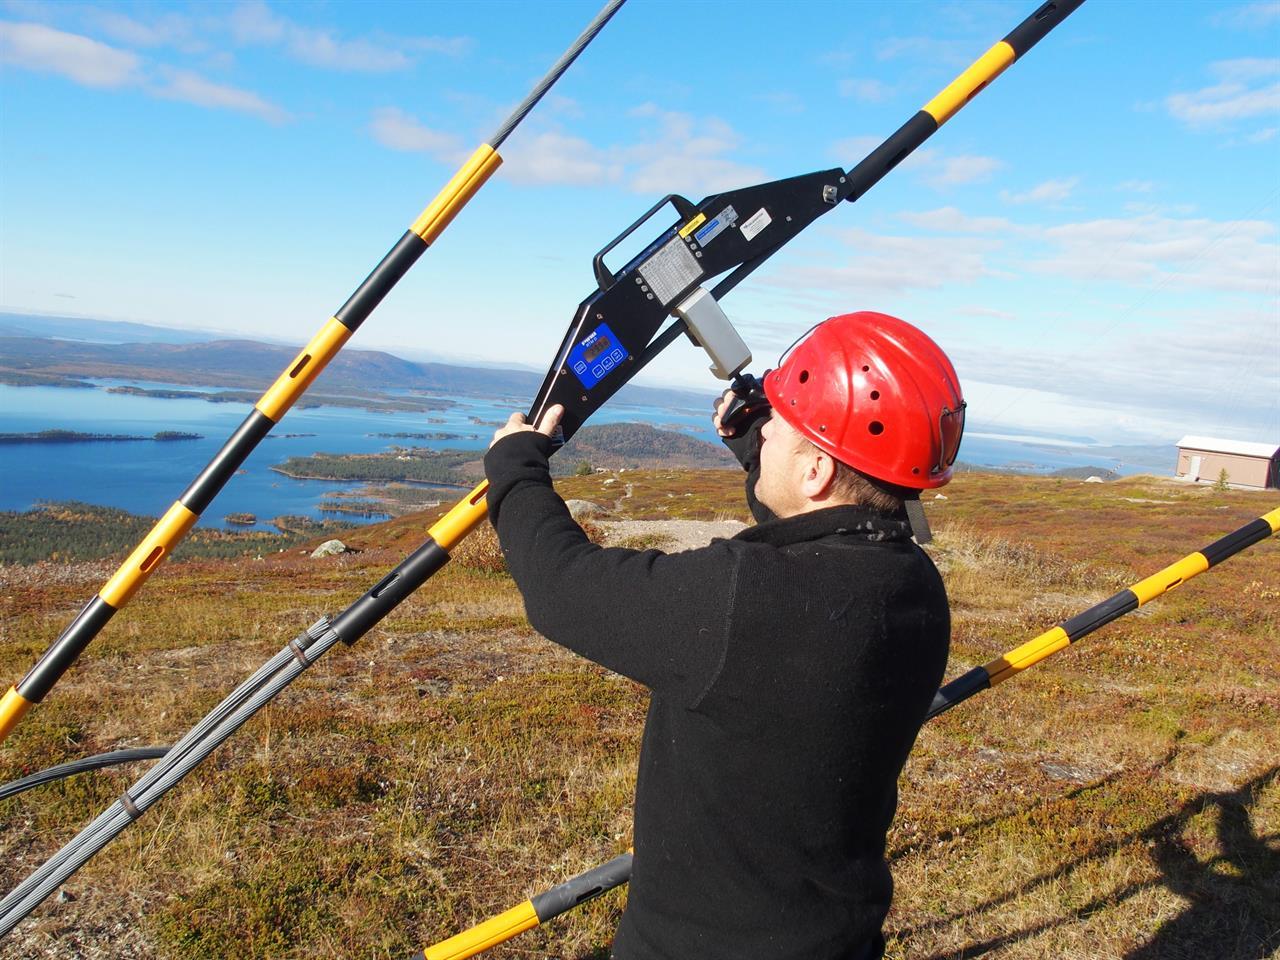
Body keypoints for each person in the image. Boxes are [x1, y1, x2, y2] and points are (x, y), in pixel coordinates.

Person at [483, 311, 965, 960]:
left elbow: (561, 586)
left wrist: (514, 466)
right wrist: (758, 455)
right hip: (838, 939)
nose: (765, 435)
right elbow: (817, 544)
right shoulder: (915, 589)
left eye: (780, 429)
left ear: (818, 470)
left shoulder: (743, 601)